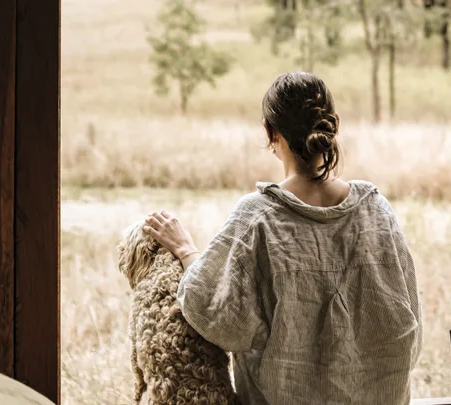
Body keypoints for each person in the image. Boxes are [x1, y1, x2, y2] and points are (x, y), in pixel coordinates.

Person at [143, 72, 422, 405]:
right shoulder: (376, 211)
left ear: (269, 131)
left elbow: (216, 316)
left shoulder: (258, 217)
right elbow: (407, 322)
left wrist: (186, 250)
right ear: (333, 123)